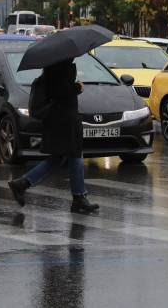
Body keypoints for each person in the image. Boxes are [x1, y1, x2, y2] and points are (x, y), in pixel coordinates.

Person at [8, 59, 100, 214]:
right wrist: (77, 87)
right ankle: (79, 198)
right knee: (73, 154)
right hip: (63, 120)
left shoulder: (53, 67)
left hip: (61, 119)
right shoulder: (60, 68)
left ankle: (23, 184)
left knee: (62, 156)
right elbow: (61, 92)